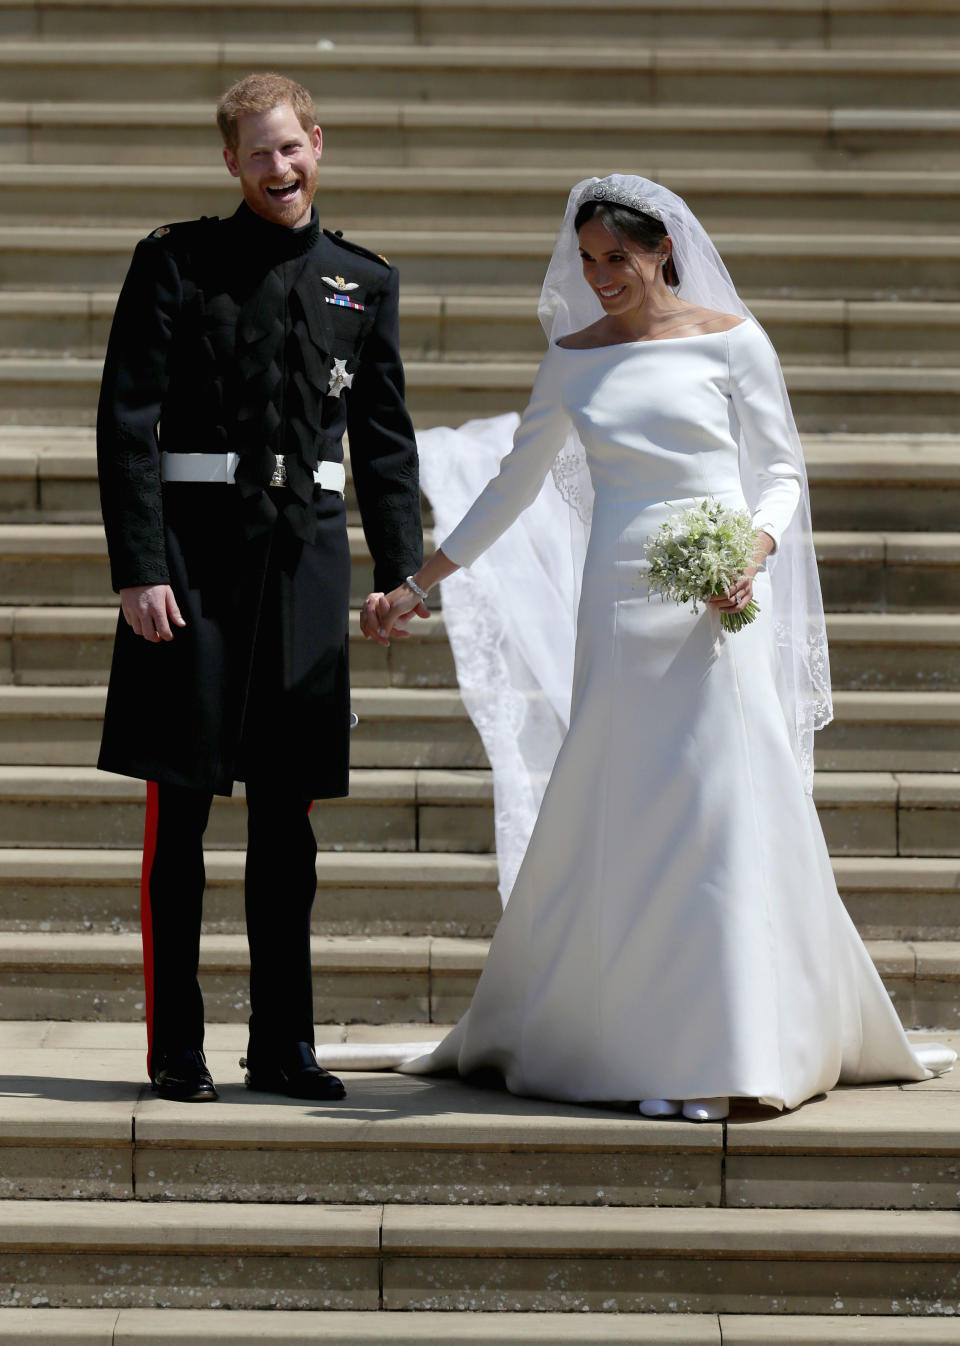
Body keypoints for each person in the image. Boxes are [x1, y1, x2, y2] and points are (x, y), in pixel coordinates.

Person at [357, 175, 954, 1119]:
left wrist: (752, 552)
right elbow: (513, 487)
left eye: (618, 259)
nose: (600, 277)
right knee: (629, 802)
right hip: (619, 602)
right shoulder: (573, 359)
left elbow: (783, 471)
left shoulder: (732, 340)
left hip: (717, 600)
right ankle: (633, 1038)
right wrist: (419, 584)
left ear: (662, 250)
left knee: (723, 801)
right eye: (588, 259)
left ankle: (740, 1047)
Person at [97, 73, 423, 1102]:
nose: (278, 169)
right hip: (191, 569)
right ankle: (177, 1047)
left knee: (290, 825)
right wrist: (139, 566)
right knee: (180, 820)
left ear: (317, 145)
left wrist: (399, 571)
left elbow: (383, 444)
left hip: (304, 569)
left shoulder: (362, 282)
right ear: (229, 161)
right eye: (257, 152)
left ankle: (284, 1043)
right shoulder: (176, 262)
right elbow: (127, 423)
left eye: (292, 149)